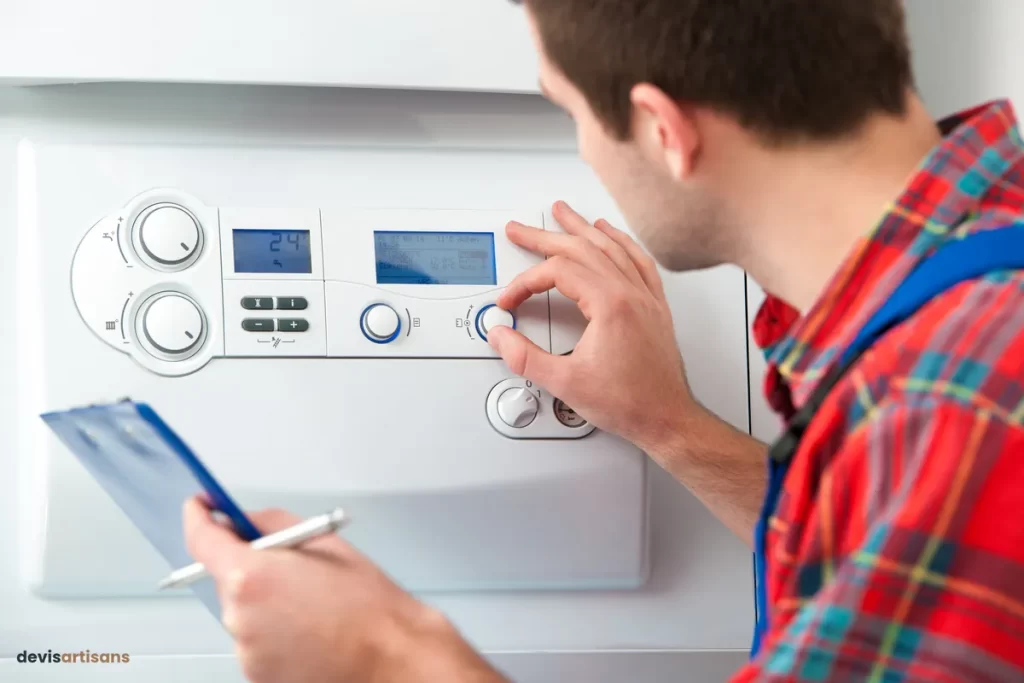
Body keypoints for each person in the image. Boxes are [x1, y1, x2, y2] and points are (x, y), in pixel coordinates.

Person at [183, 0, 1024, 681]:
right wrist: (668, 424)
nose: (584, 150)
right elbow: (880, 561)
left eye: (570, 111)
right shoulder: (972, 287)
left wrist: (386, 654)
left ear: (664, 128)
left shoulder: (946, 401)